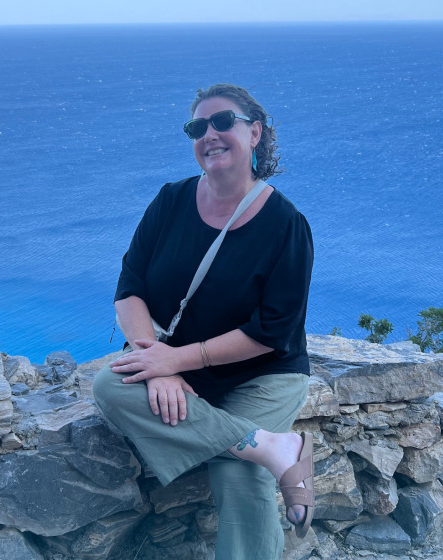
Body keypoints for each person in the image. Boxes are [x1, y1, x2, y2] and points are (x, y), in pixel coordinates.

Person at [93, 83, 314, 560]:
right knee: (110, 385)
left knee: (238, 473)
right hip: (176, 361)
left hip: (261, 373)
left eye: (222, 122)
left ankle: (256, 460)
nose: (209, 134)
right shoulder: (170, 200)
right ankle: (272, 448)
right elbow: (129, 287)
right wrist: (157, 363)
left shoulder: (285, 223)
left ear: (254, 133)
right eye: (198, 127)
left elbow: (273, 330)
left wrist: (174, 361)